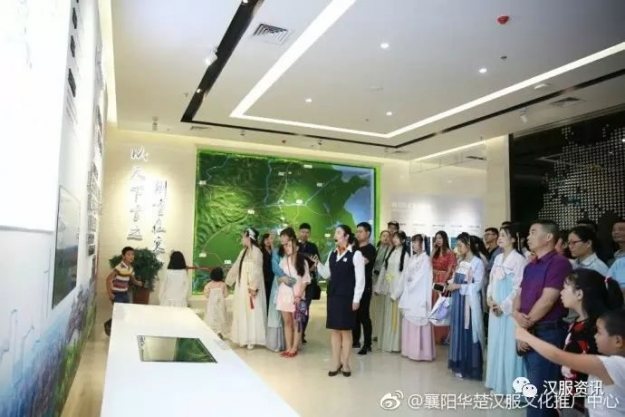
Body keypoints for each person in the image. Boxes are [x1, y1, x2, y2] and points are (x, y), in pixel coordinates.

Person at [515, 308, 625, 417]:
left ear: (618, 341)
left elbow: (557, 355)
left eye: (599, 332)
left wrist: (527, 337)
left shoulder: (614, 366)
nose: (595, 336)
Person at [514, 220, 572, 417]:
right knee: (533, 389)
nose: (528, 236)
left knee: (541, 394)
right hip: (529, 331)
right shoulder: (530, 265)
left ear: (548, 237)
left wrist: (525, 329)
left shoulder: (559, 263)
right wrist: (517, 318)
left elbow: (548, 301)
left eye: (533, 232)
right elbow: (519, 295)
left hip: (547, 333)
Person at [558, 269, 624, 416]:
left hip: (588, 406)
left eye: (565, 288)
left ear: (579, 294)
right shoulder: (576, 323)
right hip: (571, 399)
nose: (561, 292)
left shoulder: (598, 331)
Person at [315, 225, 365, 377]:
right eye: (335, 232)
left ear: (346, 236)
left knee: (346, 331)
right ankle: (336, 362)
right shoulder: (332, 253)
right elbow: (326, 274)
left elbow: (360, 279)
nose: (335, 235)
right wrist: (318, 264)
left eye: (338, 232)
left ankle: (346, 363)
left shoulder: (356, 254)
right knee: (335, 330)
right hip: (333, 296)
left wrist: (356, 299)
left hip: (347, 298)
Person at [485, 224, 527, 394]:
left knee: (509, 347)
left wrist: (503, 306)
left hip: (509, 311)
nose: (500, 238)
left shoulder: (519, 260)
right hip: (495, 308)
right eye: (500, 235)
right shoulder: (497, 258)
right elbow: (491, 282)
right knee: (496, 344)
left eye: (503, 235)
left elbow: (518, 288)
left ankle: (511, 389)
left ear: (513, 239)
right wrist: (489, 299)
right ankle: (497, 384)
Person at [446, 233, 485, 380]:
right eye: (457, 245)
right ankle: (458, 363)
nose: (458, 248)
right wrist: (450, 283)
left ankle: (469, 367)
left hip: (469, 303)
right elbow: (455, 278)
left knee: (468, 332)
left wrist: (458, 286)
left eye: (460, 245)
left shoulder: (478, 263)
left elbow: (478, 285)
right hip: (458, 301)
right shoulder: (461, 261)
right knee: (458, 330)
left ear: (469, 245)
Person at [393, 234, 435, 361]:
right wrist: (399, 291)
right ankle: (409, 350)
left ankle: (422, 352)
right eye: (412, 243)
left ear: (422, 244)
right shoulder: (412, 258)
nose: (413, 245)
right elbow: (405, 275)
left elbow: (423, 278)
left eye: (416, 243)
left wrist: (410, 283)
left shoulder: (426, 259)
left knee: (420, 319)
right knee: (409, 320)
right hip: (410, 294)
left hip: (420, 294)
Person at [225, 228, 267, 349]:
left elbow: (258, 271)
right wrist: (228, 282)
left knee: (252, 311)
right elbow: (236, 266)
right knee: (243, 310)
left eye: (243, 236)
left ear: (249, 237)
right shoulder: (243, 252)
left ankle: (252, 338)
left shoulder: (257, 252)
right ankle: (243, 337)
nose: (242, 239)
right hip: (242, 287)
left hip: (252, 288)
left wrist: (253, 287)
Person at [276, 235, 310, 357]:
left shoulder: (303, 262)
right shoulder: (283, 261)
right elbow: (278, 279)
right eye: (285, 246)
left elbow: (305, 280)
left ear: (296, 247)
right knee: (287, 322)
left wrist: (299, 295)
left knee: (297, 323)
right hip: (284, 295)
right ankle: (288, 347)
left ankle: (294, 348)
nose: (287, 248)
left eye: (289, 245)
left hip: (297, 296)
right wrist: (282, 279)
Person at [375, 231, 409, 353]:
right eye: (394, 237)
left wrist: (397, 292)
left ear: (403, 240)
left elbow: (404, 276)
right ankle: (387, 343)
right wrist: (380, 286)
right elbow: (385, 271)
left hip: (398, 292)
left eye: (397, 238)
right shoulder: (391, 252)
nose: (394, 240)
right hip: (389, 290)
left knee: (395, 319)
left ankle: (396, 345)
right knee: (388, 317)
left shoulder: (405, 255)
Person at [266, 228, 297, 352]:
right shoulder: (277, 251)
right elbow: (274, 267)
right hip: (279, 283)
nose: (282, 238)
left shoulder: (296, 251)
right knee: (280, 315)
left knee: (295, 318)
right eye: (281, 236)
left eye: (284, 236)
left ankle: (295, 345)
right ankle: (281, 344)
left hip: (295, 285)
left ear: (291, 237)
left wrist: (290, 279)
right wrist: (284, 277)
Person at [104, 247, 143, 335]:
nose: (131, 256)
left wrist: (138, 283)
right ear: (123, 256)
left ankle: (118, 329)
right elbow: (108, 279)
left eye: (132, 254)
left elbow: (132, 278)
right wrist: (110, 294)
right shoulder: (119, 267)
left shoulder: (130, 268)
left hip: (125, 293)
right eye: (128, 254)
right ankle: (109, 325)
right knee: (119, 313)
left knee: (124, 313)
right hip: (117, 294)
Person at [353, 222, 377, 355]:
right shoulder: (354, 247)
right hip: (353, 285)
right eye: (357, 231)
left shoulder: (370, 249)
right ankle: (355, 340)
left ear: (367, 233)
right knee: (354, 315)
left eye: (360, 231)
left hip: (365, 286)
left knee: (364, 315)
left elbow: (362, 263)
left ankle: (367, 344)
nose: (358, 234)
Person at [431, 231, 457, 344]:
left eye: (440, 238)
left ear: (445, 239)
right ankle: (434, 334)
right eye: (436, 238)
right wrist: (433, 250)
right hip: (434, 279)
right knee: (434, 305)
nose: (438, 240)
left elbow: (451, 269)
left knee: (442, 306)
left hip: (443, 281)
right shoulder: (435, 252)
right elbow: (429, 264)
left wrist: (444, 282)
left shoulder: (450, 253)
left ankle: (444, 335)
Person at [298, 223, 320, 344]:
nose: (305, 234)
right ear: (299, 232)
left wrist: (309, 270)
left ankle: (301, 333)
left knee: (304, 307)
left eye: (307, 232)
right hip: (297, 282)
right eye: (303, 232)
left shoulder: (313, 246)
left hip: (310, 282)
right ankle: (296, 333)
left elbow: (317, 261)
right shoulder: (295, 245)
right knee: (297, 307)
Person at [372, 230, 392, 344]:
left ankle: (381, 333)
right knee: (375, 309)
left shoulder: (391, 251)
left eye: (388, 236)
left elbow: (390, 271)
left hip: (384, 281)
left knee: (382, 309)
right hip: (374, 280)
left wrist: (388, 282)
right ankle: (375, 332)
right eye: (383, 236)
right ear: (380, 237)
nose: (385, 238)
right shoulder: (377, 249)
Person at [203, 267, 228, 339]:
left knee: (211, 316)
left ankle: (211, 331)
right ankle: (219, 332)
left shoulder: (209, 285)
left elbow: (206, 294)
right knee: (221, 316)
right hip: (220, 304)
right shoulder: (223, 284)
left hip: (211, 304)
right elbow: (226, 294)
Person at [261, 233, 274, 309]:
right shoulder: (261, 251)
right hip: (264, 276)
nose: (268, 241)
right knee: (266, 295)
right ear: (263, 240)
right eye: (266, 239)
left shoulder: (273, 250)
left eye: (270, 239)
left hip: (272, 276)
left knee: (271, 295)